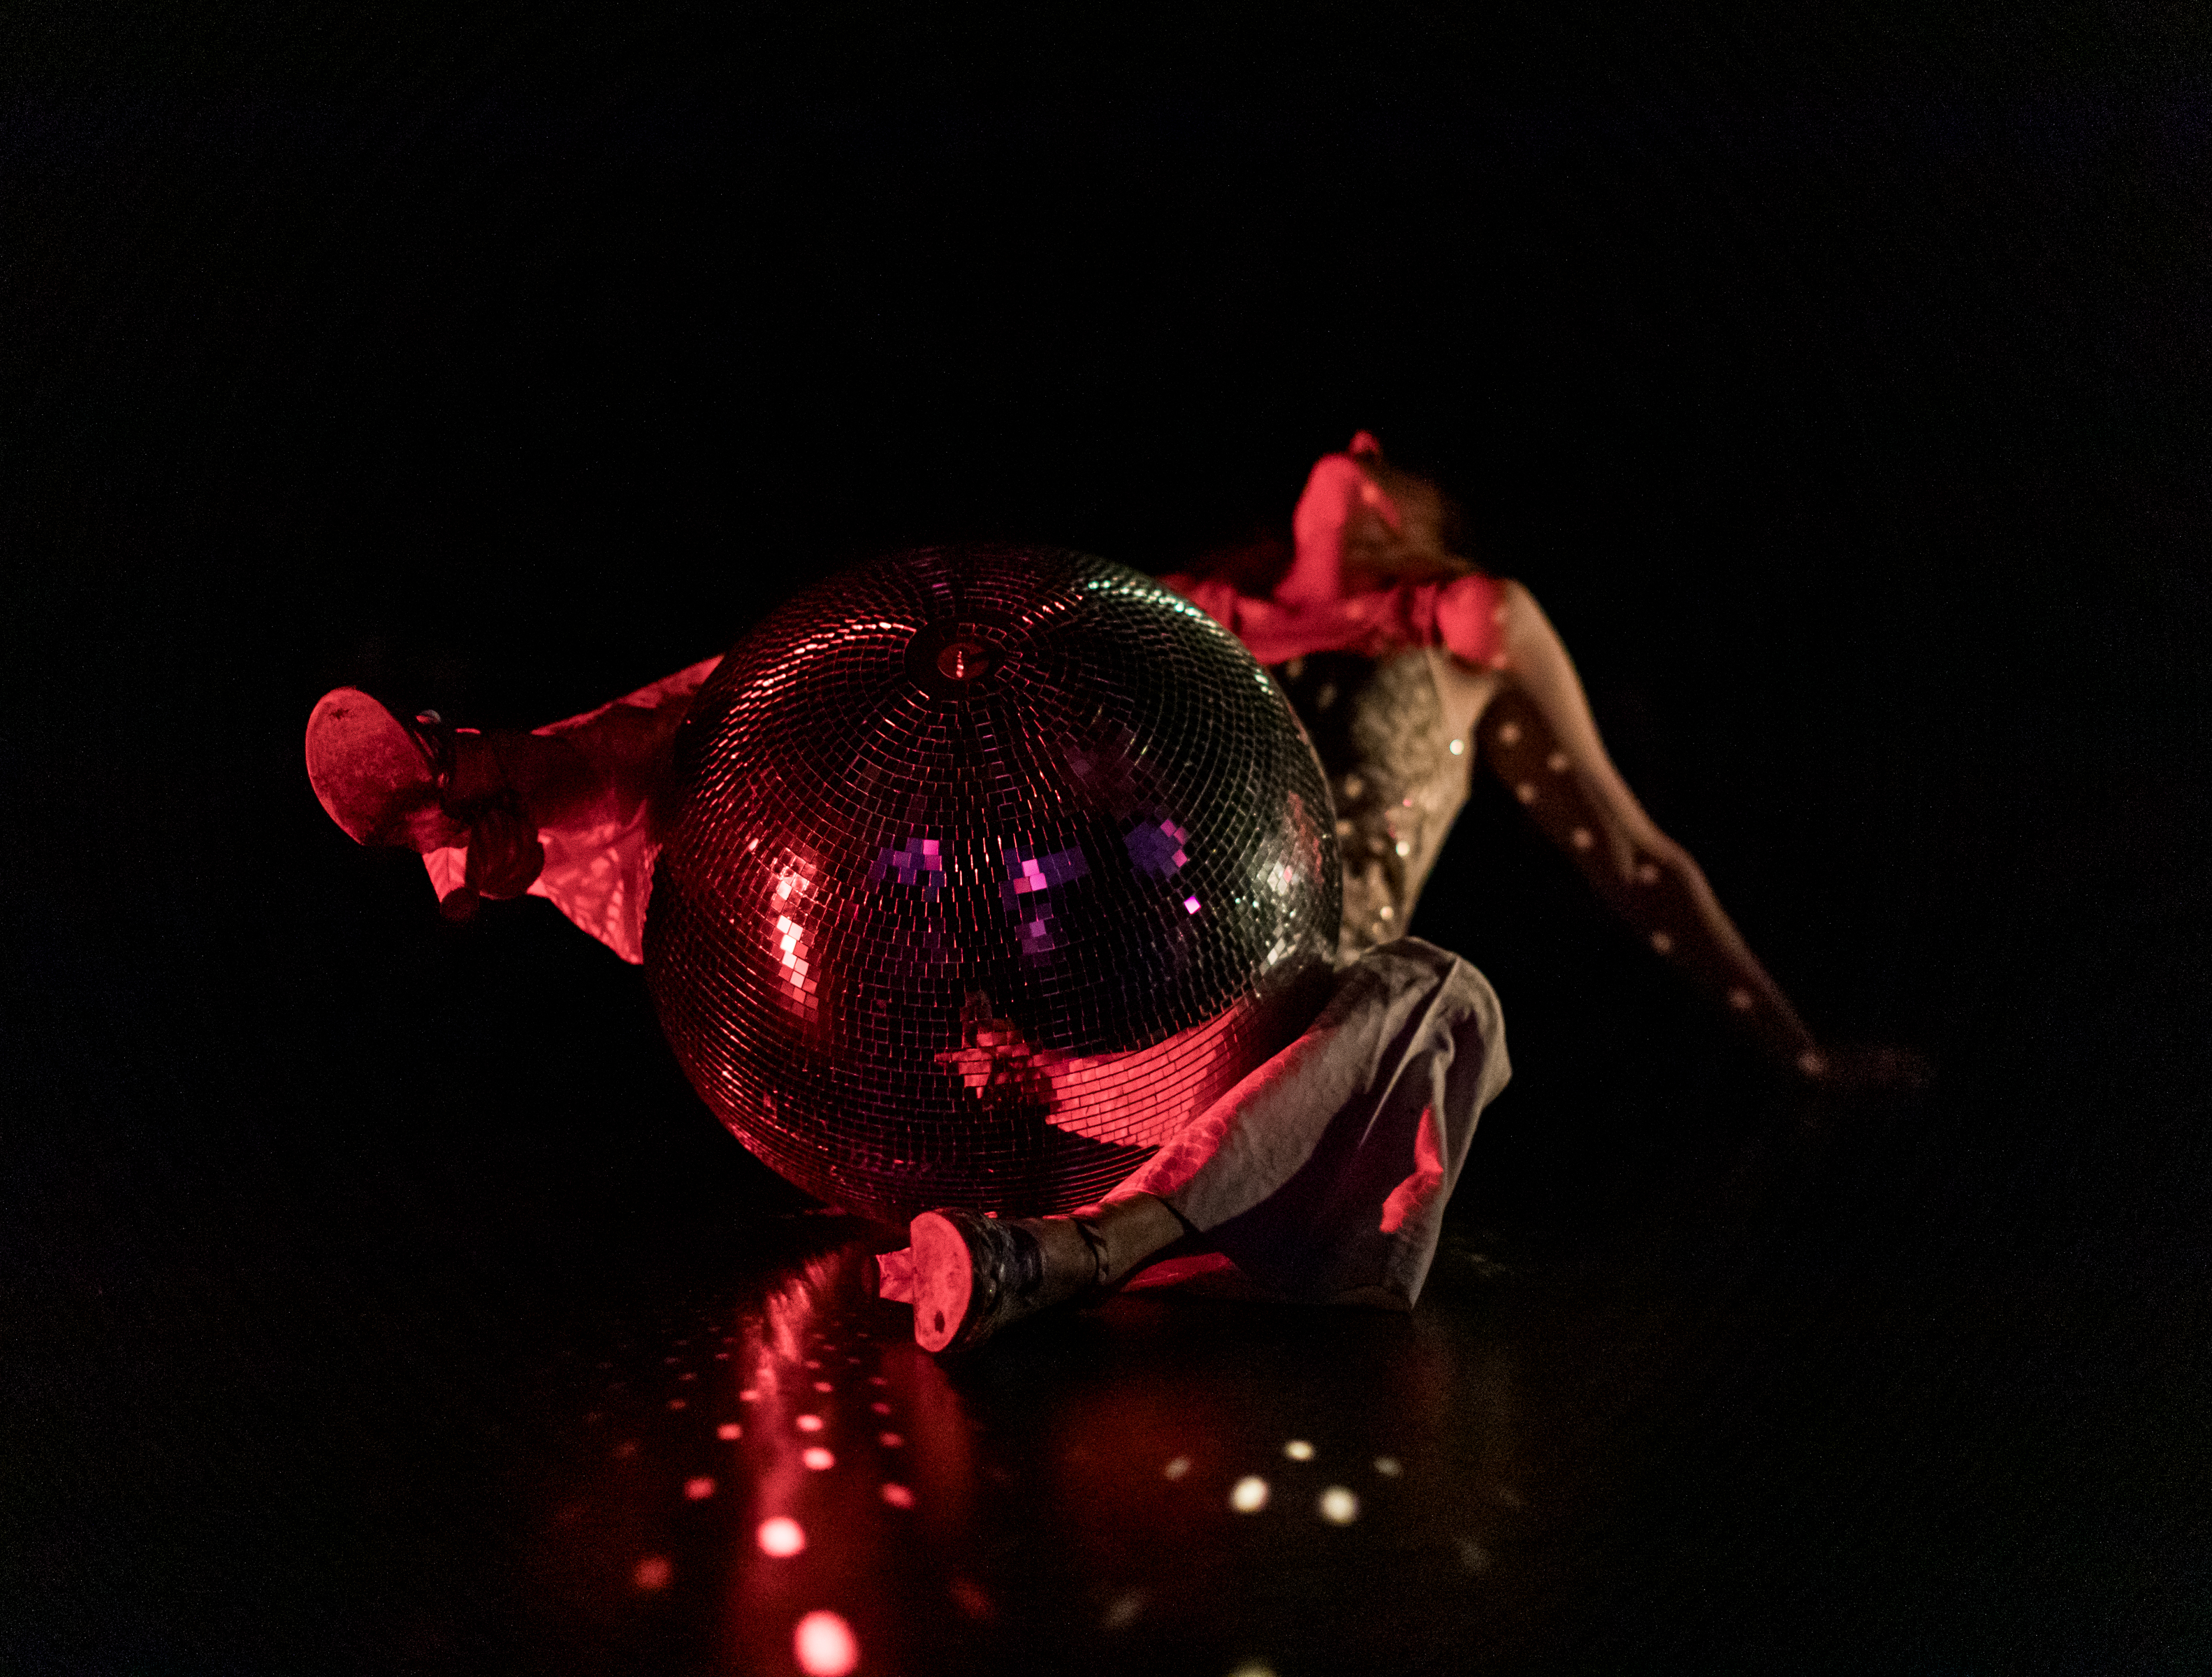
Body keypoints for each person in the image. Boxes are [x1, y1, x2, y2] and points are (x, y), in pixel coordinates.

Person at [307, 433, 1831, 1353]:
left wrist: (1795, 1050)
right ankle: (497, 792)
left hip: (1282, 1008)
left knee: (1443, 992)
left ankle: (1054, 1259)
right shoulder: (1197, 614)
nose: (1355, 438)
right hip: (1088, 1005)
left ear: (1412, 511)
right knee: (870, 665)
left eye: (1384, 453)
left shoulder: (1466, 617)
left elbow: (1634, 856)